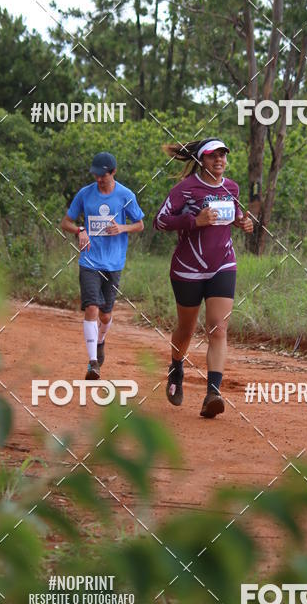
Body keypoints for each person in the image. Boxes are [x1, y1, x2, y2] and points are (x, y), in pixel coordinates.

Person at [153, 138, 253, 418]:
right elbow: (159, 221)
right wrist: (193, 221)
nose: (219, 160)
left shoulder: (231, 187)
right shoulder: (184, 190)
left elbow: (235, 216)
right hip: (188, 268)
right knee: (186, 329)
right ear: (201, 161)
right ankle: (176, 367)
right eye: (212, 157)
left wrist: (244, 222)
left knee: (218, 329)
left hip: (223, 264)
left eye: (223, 155)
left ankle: (213, 393)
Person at [61, 152, 144, 380]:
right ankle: (92, 363)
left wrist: (122, 228)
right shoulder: (85, 194)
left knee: (106, 315)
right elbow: (66, 222)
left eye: (103, 175)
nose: (98, 179)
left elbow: (140, 224)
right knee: (91, 308)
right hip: (89, 260)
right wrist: (80, 230)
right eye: (95, 175)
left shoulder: (125, 195)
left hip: (114, 262)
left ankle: (100, 341)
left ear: (113, 172)